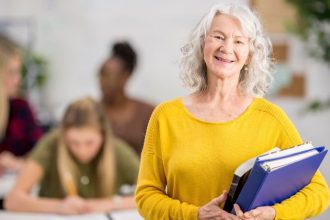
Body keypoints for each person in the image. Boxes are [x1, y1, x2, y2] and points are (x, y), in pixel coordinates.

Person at [135, 3, 330, 220]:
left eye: (238, 41)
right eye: (218, 37)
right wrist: (195, 215)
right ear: (202, 44)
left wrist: (275, 213)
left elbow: (318, 191)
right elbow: (146, 196)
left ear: (249, 54)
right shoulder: (165, 117)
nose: (227, 48)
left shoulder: (271, 119)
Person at [5, 97, 139, 214]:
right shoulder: (51, 145)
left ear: (103, 136)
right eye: (74, 143)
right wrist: (58, 206)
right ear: (63, 136)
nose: (82, 150)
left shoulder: (117, 150)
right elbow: (13, 200)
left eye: (89, 143)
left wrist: (111, 203)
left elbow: (156, 194)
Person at [98, 41, 154, 156]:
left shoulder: (148, 113)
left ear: (125, 76)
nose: (103, 81)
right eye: (101, 74)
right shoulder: (90, 111)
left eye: (109, 76)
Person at [0, 34, 42, 172]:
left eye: (19, 72)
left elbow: (42, 157)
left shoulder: (20, 108)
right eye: (11, 73)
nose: (18, 79)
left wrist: (18, 163)